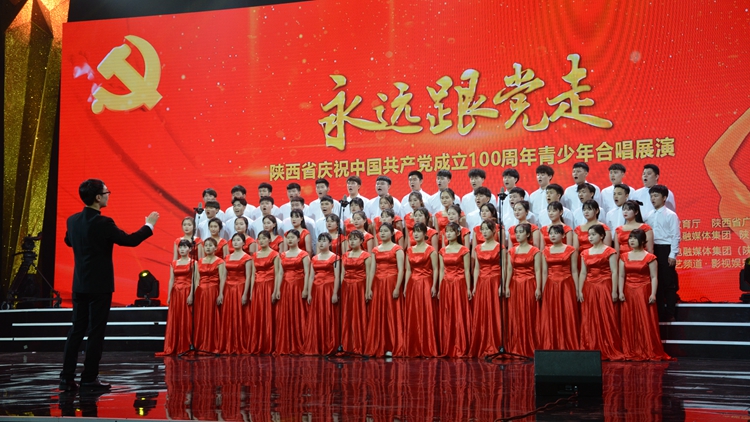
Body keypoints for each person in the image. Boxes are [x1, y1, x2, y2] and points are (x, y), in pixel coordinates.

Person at [60, 179, 158, 391]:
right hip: (99, 286)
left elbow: (68, 241)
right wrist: (149, 225)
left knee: (76, 331)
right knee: (96, 332)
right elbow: (130, 240)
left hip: (79, 284)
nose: (108, 195)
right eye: (106, 192)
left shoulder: (73, 220)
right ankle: (89, 378)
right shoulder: (103, 223)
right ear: (97, 197)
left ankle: (66, 378)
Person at [618, 229, 671, 361]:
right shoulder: (624, 256)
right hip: (628, 291)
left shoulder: (650, 258)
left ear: (642, 241)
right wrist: (620, 291)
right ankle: (631, 349)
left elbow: (654, 277)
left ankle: (647, 348)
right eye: (630, 238)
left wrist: (653, 294)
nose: (631, 240)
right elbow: (621, 275)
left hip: (644, 291)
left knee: (645, 320)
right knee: (629, 320)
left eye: (634, 238)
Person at [577, 224, 624, 360]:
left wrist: (614, 290)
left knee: (606, 315)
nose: (590, 237)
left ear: (602, 236)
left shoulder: (610, 251)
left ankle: (608, 346)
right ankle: (591, 347)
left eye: (593, 235)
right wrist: (580, 290)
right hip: (589, 287)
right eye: (589, 235)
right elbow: (583, 273)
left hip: (605, 286)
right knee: (589, 317)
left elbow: (614, 271)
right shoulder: (585, 253)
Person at [365, 223, 405, 357]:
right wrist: (369, 288)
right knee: (379, 313)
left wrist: (397, 287)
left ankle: (392, 345)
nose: (382, 233)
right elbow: (372, 270)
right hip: (378, 283)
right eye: (380, 231)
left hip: (392, 282)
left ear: (392, 233)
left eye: (385, 231)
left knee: (392, 313)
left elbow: (401, 270)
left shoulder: (397, 249)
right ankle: (379, 345)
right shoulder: (375, 250)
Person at [538, 225, 579, 350]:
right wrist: (543, 289)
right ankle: (552, 343)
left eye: (556, 233)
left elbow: (574, 271)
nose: (553, 235)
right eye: (551, 233)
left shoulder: (570, 250)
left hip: (566, 285)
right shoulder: (545, 251)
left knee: (567, 313)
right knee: (551, 314)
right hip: (550, 285)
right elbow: (544, 272)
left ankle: (568, 343)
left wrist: (577, 289)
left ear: (563, 235)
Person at [644, 184, 681, 321]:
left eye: (656, 196)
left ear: (664, 198)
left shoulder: (671, 215)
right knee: (656, 281)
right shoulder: (648, 215)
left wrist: (673, 254)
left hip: (666, 249)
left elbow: (675, 236)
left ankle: (670, 313)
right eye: (651, 196)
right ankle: (658, 313)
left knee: (668, 282)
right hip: (653, 249)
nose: (653, 199)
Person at [505, 223, 542, 358]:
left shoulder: (535, 250)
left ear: (527, 234)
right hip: (515, 285)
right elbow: (509, 270)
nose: (518, 235)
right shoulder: (512, 251)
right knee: (515, 315)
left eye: (521, 232)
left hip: (529, 284)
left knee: (529, 313)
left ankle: (529, 345)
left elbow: (538, 270)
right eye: (516, 232)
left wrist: (538, 287)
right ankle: (516, 345)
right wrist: (507, 285)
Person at [468, 220, 504, 357]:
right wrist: (475, 285)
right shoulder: (478, 248)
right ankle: (483, 343)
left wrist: (502, 284)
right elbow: (477, 268)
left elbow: (504, 267)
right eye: (482, 229)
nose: (484, 232)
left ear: (494, 231)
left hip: (495, 280)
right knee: (482, 312)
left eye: (487, 229)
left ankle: (496, 343)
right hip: (482, 282)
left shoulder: (500, 247)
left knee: (495, 312)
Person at [403, 223, 439, 357]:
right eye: (414, 232)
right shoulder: (409, 250)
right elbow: (408, 270)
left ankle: (428, 346)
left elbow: (435, 269)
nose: (416, 234)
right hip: (413, 284)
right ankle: (414, 346)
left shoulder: (431, 250)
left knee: (426, 313)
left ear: (425, 234)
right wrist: (406, 286)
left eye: (419, 231)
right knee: (414, 314)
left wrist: (434, 285)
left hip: (426, 283)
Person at [437, 222, 471, 358]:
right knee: (447, 314)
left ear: (457, 233)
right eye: (447, 231)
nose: (449, 234)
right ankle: (448, 345)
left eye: (451, 231)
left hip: (459, 283)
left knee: (459, 313)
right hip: (446, 284)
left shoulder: (464, 250)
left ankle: (460, 344)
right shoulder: (442, 250)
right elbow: (441, 270)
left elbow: (467, 270)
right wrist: (439, 287)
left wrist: (468, 288)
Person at [302, 233, 340, 355]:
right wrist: (309, 293)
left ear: (330, 243)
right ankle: (317, 344)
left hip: (329, 288)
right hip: (317, 290)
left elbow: (337, 276)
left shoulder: (335, 257)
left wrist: (335, 293)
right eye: (320, 241)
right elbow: (311, 276)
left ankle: (329, 344)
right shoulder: (314, 258)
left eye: (324, 241)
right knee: (317, 315)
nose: (321, 243)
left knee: (328, 315)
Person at [275, 229, 311, 355]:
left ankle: (300, 343)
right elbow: (280, 273)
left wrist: (306, 288)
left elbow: (307, 273)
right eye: (288, 238)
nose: (289, 240)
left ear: (298, 239)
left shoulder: (304, 254)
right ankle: (287, 344)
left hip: (298, 286)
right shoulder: (283, 255)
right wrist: (277, 289)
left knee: (299, 313)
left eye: (292, 237)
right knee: (286, 314)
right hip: (285, 286)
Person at [158, 239, 195, 356]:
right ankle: (174, 345)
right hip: (176, 293)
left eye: (185, 247)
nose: (182, 249)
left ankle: (186, 345)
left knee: (187, 318)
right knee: (176, 318)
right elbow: (171, 280)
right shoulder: (174, 263)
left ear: (190, 249)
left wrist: (191, 294)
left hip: (187, 291)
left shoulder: (193, 263)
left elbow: (195, 280)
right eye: (180, 247)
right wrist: (169, 295)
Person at [247, 231, 281, 355]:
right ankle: (258, 343)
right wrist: (251, 291)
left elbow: (278, 273)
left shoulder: (275, 254)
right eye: (259, 239)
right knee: (258, 314)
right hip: (258, 286)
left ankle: (269, 344)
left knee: (269, 314)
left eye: (264, 238)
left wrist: (276, 290)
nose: (261, 241)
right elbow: (253, 274)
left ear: (269, 240)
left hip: (269, 285)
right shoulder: (255, 255)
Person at [220, 233, 253, 354]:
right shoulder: (227, 257)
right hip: (228, 289)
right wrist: (221, 292)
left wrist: (245, 293)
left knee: (241, 316)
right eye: (234, 240)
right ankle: (230, 343)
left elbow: (249, 276)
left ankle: (242, 343)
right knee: (229, 316)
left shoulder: (247, 258)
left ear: (243, 243)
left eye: (238, 240)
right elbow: (224, 276)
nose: (235, 242)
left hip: (240, 287)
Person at [340, 231, 372, 354]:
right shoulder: (345, 255)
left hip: (360, 286)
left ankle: (360, 344)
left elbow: (369, 274)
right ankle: (347, 344)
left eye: (355, 239)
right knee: (347, 314)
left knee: (359, 313)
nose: (352, 241)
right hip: (347, 287)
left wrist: (368, 289)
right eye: (350, 239)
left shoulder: (366, 255)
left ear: (361, 241)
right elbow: (342, 273)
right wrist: (340, 288)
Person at [193, 237, 226, 355]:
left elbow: (222, 278)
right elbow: (197, 279)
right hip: (201, 292)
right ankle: (200, 343)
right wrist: (195, 293)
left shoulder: (220, 261)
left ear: (215, 248)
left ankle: (213, 344)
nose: (207, 247)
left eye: (210, 245)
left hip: (213, 291)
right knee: (201, 317)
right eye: (206, 245)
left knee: (212, 316)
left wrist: (221, 293)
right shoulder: (199, 261)